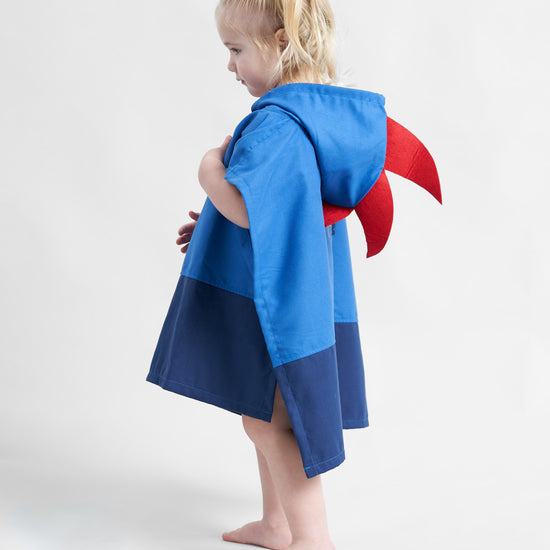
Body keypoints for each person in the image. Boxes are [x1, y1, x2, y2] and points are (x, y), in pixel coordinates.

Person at [148, 1, 440, 549]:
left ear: (281, 42)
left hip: (277, 297)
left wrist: (209, 172)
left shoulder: (277, 123)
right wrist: (214, 224)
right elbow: (285, 207)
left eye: (236, 50)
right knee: (262, 408)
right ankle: (277, 524)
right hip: (297, 286)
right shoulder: (313, 118)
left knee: (271, 421)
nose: (230, 66)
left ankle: (312, 539)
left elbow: (249, 209)